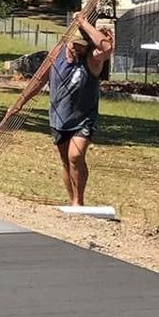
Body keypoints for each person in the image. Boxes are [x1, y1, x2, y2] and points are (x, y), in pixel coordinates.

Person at [50, 13, 113, 205]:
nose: (78, 48)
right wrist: (19, 104)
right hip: (59, 116)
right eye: (75, 44)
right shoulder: (56, 55)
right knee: (66, 161)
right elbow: (39, 80)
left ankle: (79, 202)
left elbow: (107, 48)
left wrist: (83, 23)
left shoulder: (92, 60)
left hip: (84, 118)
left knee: (75, 156)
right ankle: (72, 202)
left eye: (83, 45)